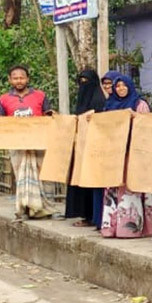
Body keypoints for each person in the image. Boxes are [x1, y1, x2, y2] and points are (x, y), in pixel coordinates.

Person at [100, 74, 152, 239]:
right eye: (117, 86)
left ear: (130, 86)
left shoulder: (140, 104)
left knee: (131, 189)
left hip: (134, 154)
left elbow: (148, 128)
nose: (121, 89)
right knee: (113, 189)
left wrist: (135, 117)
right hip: (115, 154)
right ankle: (111, 228)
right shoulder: (110, 104)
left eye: (124, 85)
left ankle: (130, 229)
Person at [0, 65, 54, 219]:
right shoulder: (3, 99)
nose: (19, 81)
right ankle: (26, 208)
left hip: (40, 142)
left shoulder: (40, 96)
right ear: (10, 80)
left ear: (27, 79)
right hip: (17, 144)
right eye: (15, 78)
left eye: (22, 77)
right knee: (21, 175)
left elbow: (49, 115)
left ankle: (45, 209)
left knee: (44, 174)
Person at [65, 69, 105, 227]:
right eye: (80, 81)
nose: (83, 85)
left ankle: (92, 216)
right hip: (80, 148)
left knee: (91, 182)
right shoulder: (81, 101)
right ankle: (83, 215)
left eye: (86, 81)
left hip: (95, 149)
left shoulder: (99, 101)